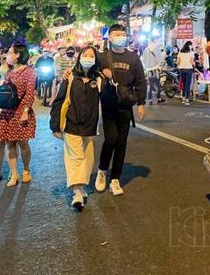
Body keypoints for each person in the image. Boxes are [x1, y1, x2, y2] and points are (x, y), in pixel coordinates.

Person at [95, 24, 147, 196]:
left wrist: (141, 103)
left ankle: (115, 179)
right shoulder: (102, 57)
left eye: (123, 34)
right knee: (110, 139)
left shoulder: (133, 58)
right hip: (108, 105)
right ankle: (102, 171)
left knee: (121, 143)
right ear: (109, 37)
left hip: (125, 106)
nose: (121, 37)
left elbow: (140, 80)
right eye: (117, 34)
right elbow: (87, 73)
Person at [50, 46, 102, 209]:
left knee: (88, 158)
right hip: (71, 124)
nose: (88, 58)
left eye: (91, 55)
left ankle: (81, 186)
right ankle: (77, 193)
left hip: (90, 125)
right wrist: (55, 125)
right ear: (79, 58)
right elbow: (59, 100)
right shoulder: (70, 77)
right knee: (76, 157)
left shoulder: (99, 79)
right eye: (85, 55)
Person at [0, 42, 37, 187]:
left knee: (23, 143)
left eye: (10, 52)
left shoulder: (29, 72)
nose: (8, 55)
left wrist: (25, 111)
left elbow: (30, 93)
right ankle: (14, 173)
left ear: (18, 54)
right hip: (8, 111)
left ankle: (26, 170)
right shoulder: (9, 72)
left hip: (22, 111)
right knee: (10, 143)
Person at [141, 39, 164, 105]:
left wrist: (146, 68)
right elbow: (159, 60)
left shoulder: (145, 50)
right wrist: (160, 68)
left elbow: (143, 60)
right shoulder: (156, 48)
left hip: (148, 70)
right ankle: (158, 98)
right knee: (157, 85)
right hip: (155, 69)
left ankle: (150, 99)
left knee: (149, 85)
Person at [177, 41, 195, 105]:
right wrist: (194, 63)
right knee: (188, 85)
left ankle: (183, 99)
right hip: (188, 69)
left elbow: (178, 62)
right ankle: (187, 100)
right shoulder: (191, 52)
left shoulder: (180, 52)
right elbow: (192, 62)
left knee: (184, 84)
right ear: (190, 46)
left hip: (182, 70)